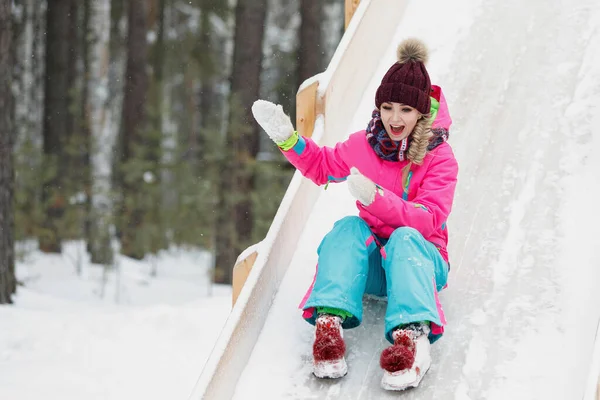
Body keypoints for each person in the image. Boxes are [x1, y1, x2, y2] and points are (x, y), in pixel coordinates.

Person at [251, 38, 458, 391]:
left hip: (421, 262)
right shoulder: (365, 145)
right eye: (389, 107)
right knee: (348, 227)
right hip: (378, 269)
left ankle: (412, 335)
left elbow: (428, 220)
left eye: (406, 110)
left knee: (406, 238)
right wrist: (288, 139)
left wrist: (377, 199)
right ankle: (329, 325)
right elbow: (322, 166)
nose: (395, 118)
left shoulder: (439, 159)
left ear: (421, 113)